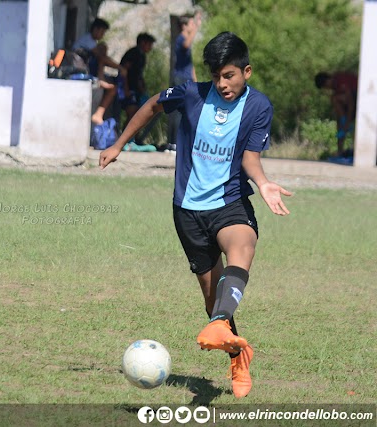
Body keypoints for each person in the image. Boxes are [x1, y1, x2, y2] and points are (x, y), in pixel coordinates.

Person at [99, 32, 292, 398]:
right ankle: (238, 352)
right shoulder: (191, 94)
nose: (222, 84)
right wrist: (119, 144)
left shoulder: (259, 107)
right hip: (188, 210)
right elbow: (154, 104)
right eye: (217, 76)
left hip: (230, 202)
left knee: (242, 246)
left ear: (246, 72)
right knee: (212, 295)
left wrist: (263, 183)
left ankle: (222, 328)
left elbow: (251, 157)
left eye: (230, 76)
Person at [72, 17, 127, 125]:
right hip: (80, 73)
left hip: (87, 71)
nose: (103, 34)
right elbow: (102, 58)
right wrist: (120, 68)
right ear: (95, 29)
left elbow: (102, 58)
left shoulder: (92, 42)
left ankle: (101, 79)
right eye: (102, 31)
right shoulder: (88, 40)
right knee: (112, 89)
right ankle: (98, 115)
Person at [168, 11, 202, 152]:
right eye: (190, 24)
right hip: (180, 78)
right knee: (179, 111)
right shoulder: (181, 39)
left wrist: (195, 79)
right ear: (184, 26)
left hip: (187, 78)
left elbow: (189, 63)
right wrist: (196, 28)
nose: (192, 26)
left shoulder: (184, 39)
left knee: (190, 109)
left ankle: (186, 140)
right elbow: (187, 44)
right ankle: (174, 142)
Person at [315, 71, 358, 158]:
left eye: (326, 86)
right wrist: (343, 125)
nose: (327, 89)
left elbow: (351, 105)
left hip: (360, 97)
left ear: (328, 80)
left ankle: (347, 125)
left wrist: (347, 123)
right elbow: (340, 112)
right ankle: (340, 150)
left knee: (335, 99)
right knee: (340, 120)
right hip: (351, 104)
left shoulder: (340, 81)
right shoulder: (336, 88)